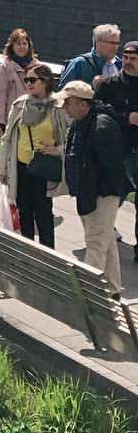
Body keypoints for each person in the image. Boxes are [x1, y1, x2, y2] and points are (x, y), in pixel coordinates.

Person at [61, 80, 128, 293]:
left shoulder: (101, 127)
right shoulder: (81, 123)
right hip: (88, 192)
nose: (63, 107)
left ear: (83, 104)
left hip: (101, 194)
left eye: (67, 102)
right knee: (105, 242)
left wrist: (103, 195)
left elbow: (112, 166)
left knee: (95, 246)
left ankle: (88, 298)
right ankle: (114, 290)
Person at [0, 63, 67, 249]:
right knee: (24, 212)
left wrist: (58, 150)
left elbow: (74, 138)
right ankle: (27, 253)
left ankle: (48, 255)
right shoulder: (20, 105)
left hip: (43, 167)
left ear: (45, 82)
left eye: (32, 80)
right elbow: (8, 139)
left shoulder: (58, 108)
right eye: (26, 80)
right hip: (20, 166)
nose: (28, 83)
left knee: (44, 213)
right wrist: (3, 169)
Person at [94, 39, 138, 263]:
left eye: (133, 59)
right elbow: (98, 109)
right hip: (120, 151)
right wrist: (126, 117)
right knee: (115, 195)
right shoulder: (109, 84)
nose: (128, 62)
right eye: (126, 58)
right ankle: (101, 234)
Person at [0, 28, 38, 133]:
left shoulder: (37, 67)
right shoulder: (4, 67)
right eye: (18, 44)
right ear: (12, 47)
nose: (22, 47)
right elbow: (0, 95)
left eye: (24, 43)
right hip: (12, 118)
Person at [58, 23, 122, 91]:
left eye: (117, 43)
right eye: (111, 43)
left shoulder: (120, 64)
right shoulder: (79, 63)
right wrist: (92, 87)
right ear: (97, 42)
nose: (115, 47)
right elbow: (63, 91)